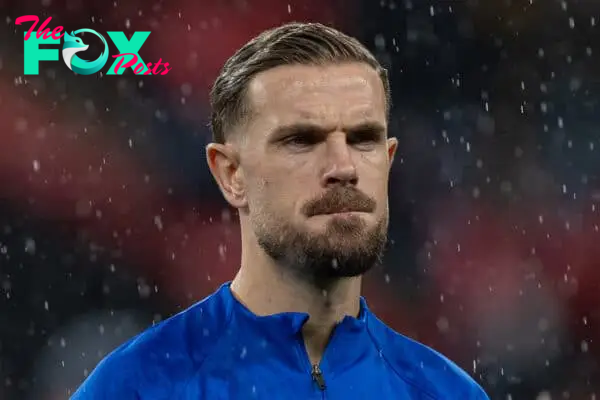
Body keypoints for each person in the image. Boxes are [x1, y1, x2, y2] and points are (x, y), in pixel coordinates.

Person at [71, 22, 489, 399]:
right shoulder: (138, 387)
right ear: (231, 174)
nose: (343, 167)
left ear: (389, 157)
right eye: (301, 140)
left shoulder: (447, 392)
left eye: (364, 139)